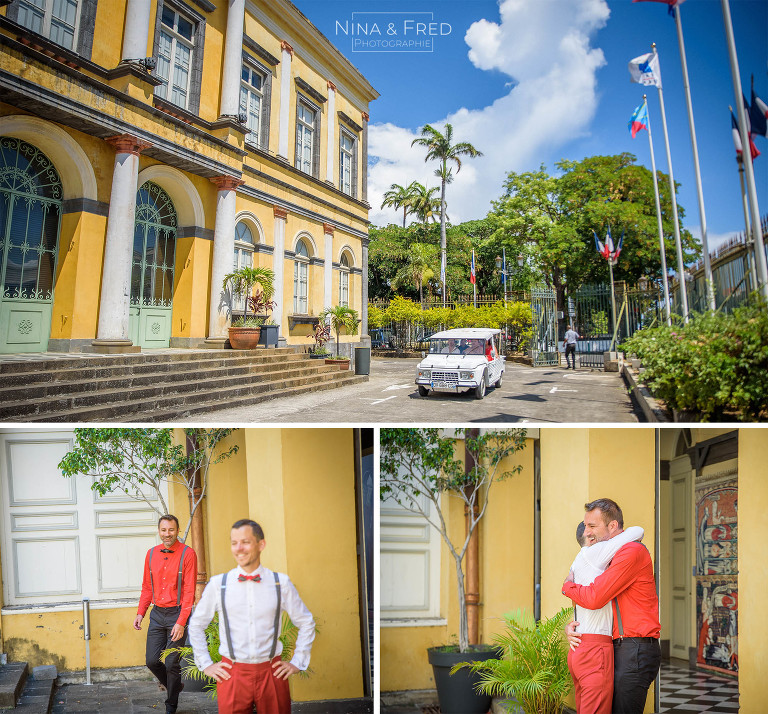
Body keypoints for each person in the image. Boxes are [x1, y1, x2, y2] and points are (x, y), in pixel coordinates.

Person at [188, 519, 315, 714]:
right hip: (231, 674)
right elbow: (196, 625)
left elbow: (306, 622)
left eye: (245, 542)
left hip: (272, 672)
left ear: (261, 544)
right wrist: (205, 664)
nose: (239, 548)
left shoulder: (279, 583)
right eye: (234, 543)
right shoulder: (218, 584)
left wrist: (298, 661)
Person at [562, 499, 661, 714]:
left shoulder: (632, 552)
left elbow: (596, 596)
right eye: (586, 525)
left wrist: (567, 587)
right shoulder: (606, 555)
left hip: (635, 647)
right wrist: (575, 626)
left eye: (592, 526)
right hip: (616, 646)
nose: (587, 532)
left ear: (613, 526)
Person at [134, 514, 198, 714]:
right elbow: (147, 587)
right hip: (157, 614)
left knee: (171, 662)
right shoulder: (151, 554)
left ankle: (171, 704)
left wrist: (181, 622)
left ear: (177, 531)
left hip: (177, 613)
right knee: (152, 661)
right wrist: (140, 613)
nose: (167, 534)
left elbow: (189, 592)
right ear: (159, 531)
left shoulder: (188, 554)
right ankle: (175, 686)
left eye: (171, 530)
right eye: (163, 530)